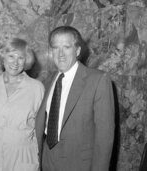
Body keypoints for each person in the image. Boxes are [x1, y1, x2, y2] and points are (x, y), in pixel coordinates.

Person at [35, 26, 115, 171]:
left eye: (66, 47)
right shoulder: (47, 81)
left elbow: (105, 137)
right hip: (47, 161)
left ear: (77, 50)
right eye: (55, 48)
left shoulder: (98, 80)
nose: (60, 54)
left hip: (79, 164)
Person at [0, 37, 44, 171]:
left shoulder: (36, 88)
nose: (15, 62)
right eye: (11, 56)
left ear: (26, 60)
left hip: (23, 159)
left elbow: (41, 129)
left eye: (20, 58)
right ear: (3, 57)